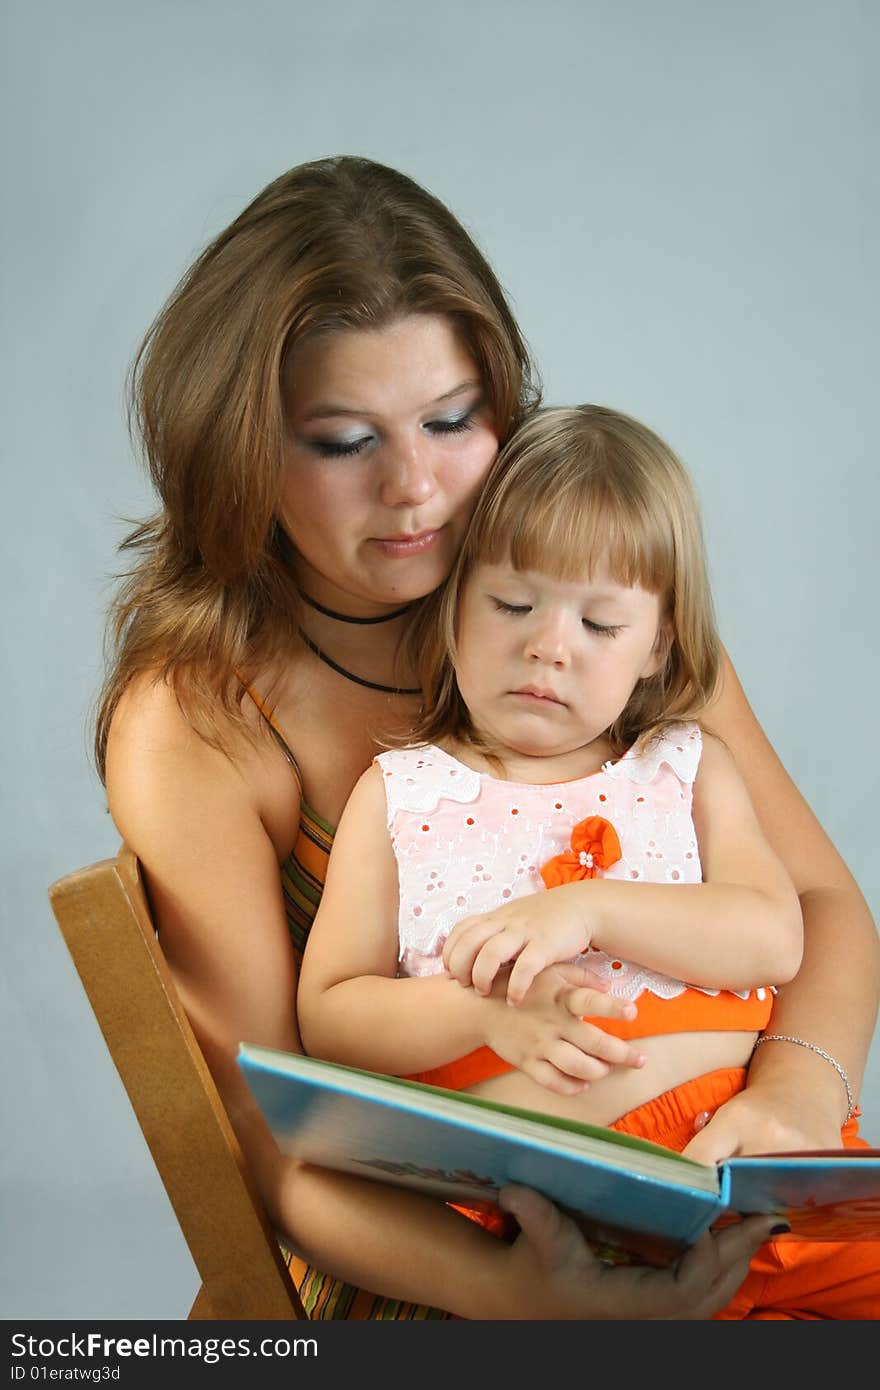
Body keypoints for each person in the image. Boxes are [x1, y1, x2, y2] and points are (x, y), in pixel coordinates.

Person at [96, 154, 878, 1319]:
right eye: (342, 440)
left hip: (726, 1185)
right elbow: (272, 1134)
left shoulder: (587, 597)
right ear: (242, 447)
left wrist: (799, 1102)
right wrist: (534, 1299)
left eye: (451, 420)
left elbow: (818, 910)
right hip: (452, 1259)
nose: (417, 491)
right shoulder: (202, 717)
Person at [298, 403, 880, 1317]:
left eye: (602, 625)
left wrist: (595, 908)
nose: (548, 646)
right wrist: (482, 1014)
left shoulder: (685, 767)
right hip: (554, 1219)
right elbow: (331, 1014)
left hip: (753, 1164)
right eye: (513, 603)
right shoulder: (403, 795)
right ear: (452, 606)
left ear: (661, 647)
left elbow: (774, 937)